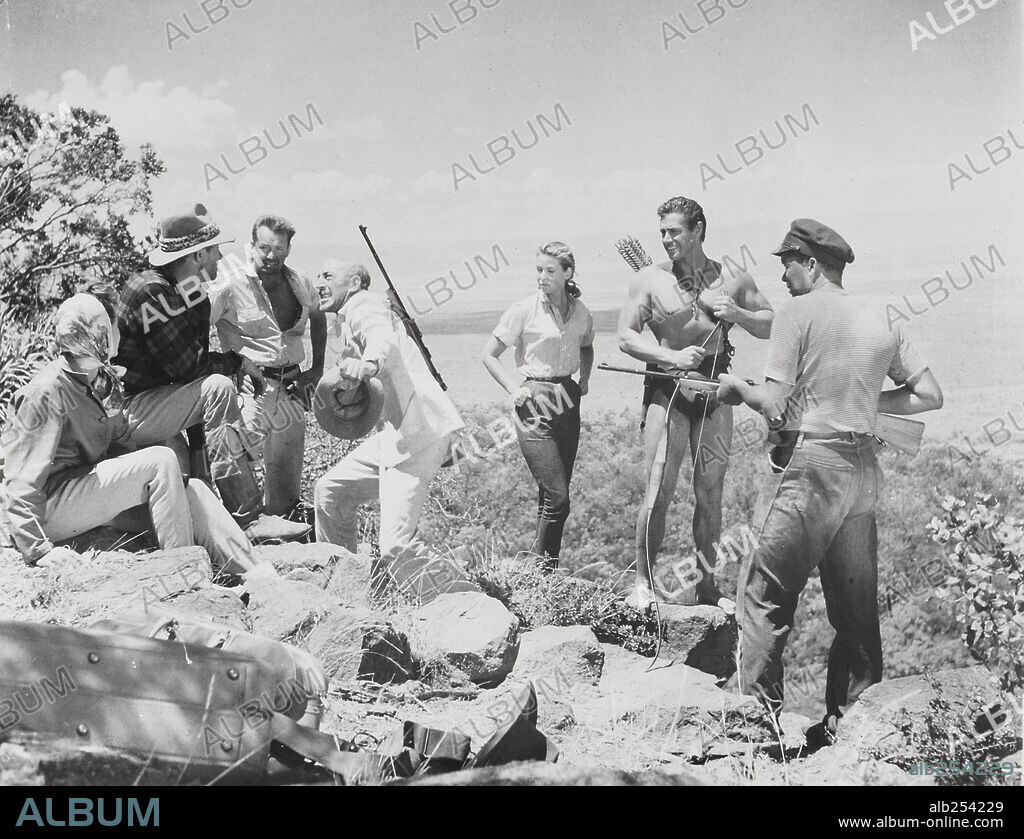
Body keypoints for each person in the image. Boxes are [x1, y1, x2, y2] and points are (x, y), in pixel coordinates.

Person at [716, 219, 943, 740]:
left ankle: (757, 734)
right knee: (857, 609)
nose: (783, 276)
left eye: (787, 264)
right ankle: (854, 729)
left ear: (811, 263)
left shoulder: (797, 313)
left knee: (763, 598)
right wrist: (864, 405)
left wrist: (736, 388)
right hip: (862, 470)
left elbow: (775, 407)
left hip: (807, 468)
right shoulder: (882, 316)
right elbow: (928, 395)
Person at [0, 293, 274, 577]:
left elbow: (119, 448)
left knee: (194, 491)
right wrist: (37, 549)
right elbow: (21, 481)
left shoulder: (101, 380)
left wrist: (167, 490)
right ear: (98, 333)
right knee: (162, 460)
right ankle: (183, 574)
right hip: (47, 509)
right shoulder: (45, 391)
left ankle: (256, 574)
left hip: (81, 496)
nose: (119, 334)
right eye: (113, 327)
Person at [113, 203, 309, 543]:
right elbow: (192, 371)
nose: (221, 256)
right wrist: (237, 362)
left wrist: (201, 457)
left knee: (189, 485)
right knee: (219, 386)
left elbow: (191, 381)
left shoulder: (191, 295)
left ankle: (222, 533)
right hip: (129, 412)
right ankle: (249, 518)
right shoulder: (152, 293)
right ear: (198, 256)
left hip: (157, 408)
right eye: (215, 250)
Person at [617, 196, 773, 613]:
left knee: (710, 493)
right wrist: (669, 358)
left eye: (675, 231)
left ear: (699, 230)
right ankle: (642, 583)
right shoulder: (649, 279)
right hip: (667, 390)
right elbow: (625, 337)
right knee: (658, 490)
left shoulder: (732, 277)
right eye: (662, 232)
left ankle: (707, 587)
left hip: (716, 393)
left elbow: (771, 323)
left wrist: (736, 311)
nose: (667, 239)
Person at [313, 263, 468, 595]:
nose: (319, 283)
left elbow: (379, 336)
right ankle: (345, 590)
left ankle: (467, 603)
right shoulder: (345, 318)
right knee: (331, 491)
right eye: (317, 278)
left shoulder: (363, 305)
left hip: (419, 434)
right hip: (397, 437)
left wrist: (368, 364)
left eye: (327, 276)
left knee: (396, 548)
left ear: (354, 283)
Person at [482, 242, 594, 571]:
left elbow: (587, 348)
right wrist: (513, 389)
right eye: (539, 270)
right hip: (534, 400)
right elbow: (488, 354)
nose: (542, 277)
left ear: (568, 273)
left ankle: (545, 571)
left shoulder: (582, 312)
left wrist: (584, 380)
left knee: (551, 496)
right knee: (558, 497)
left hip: (568, 398)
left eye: (549, 271)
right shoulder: (523, 309)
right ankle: (541, 572)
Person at [210, 215, 326, 517]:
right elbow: (196, 327)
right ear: (251, 246)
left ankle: (283, 542)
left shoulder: (300, 281)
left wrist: (316, 370)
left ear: (288, 249)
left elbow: (318, 317)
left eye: (278, 248)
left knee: (286, 484)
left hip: (292, 388)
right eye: (263, 247)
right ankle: (236, 537)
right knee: (235, 467)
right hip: (251, 390)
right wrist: (228, 367)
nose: (270, 255)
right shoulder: (230, 282)